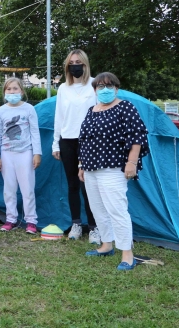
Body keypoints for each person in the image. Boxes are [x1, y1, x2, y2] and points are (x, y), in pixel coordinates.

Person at [78, 72, 149, 271]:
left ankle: (127, 253)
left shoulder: (125, 107)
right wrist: (81, 165)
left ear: (116, 88)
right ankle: (106, 244)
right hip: (91, 168)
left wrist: (132, 163)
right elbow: (84, 140)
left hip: (113, 168)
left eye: (109, 86)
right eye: (100, 87)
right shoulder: (91, 110)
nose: (105, 90)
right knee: (98, 209)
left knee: (117, 210)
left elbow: (137, 136)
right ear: (95, 90)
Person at [52, 49, 100, 244]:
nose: (75, 65)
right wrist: (56, 142)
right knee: (72, 184)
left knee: (88, 185)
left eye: (78, 62)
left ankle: (94, 227)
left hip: (89, 141)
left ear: (85, 64)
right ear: (67, 66)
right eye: (71, 62)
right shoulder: (63, 88)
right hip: (67, 140)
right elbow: (59, 116)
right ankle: (76, 224)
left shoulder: (95, 84)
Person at [0, 77, 42, 234]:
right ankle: (11, 218)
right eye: (9, 89)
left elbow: (35, 131)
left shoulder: (29, 109)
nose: (12, 92)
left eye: (15, 89)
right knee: (9, 188)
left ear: (21, 91)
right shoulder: (1, 110)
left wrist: (37, 153)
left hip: (25, 153)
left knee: (27, 188)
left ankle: (31, 221)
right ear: (4, 92)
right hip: (7, 153)